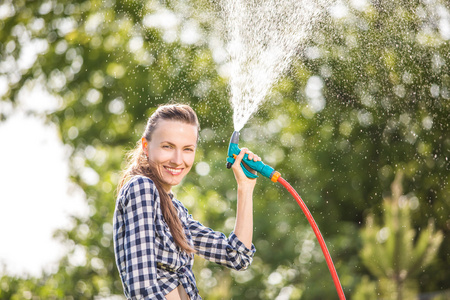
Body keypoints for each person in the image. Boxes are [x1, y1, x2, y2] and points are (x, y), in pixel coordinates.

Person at [113, 103, 260, 299]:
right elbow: (143, 290)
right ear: (146, 146)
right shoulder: (141, 188)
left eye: (188, 149)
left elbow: (237, 256)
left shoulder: (176, 212)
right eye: (168, 146)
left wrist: (245, 187)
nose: (177, 159)